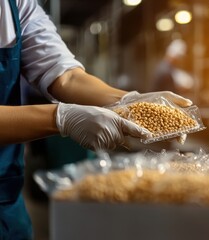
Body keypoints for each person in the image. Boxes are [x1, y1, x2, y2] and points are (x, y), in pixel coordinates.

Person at [0, 0, 192, 239]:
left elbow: (67, 77)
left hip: (6, 200)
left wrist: (129, 100)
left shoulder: (18, 5)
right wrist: (61, 117)